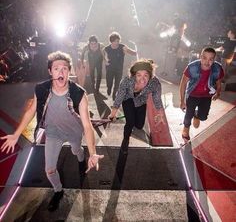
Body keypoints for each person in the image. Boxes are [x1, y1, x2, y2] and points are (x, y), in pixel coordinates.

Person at [0, 51, 104, 211]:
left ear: (69, 72)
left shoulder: (79, 93)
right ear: (50, 71)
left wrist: (93, 152)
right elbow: (31, 111)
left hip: (73, 131)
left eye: (64, 69)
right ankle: (58, 190)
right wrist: (16, 134)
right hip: (53, 133)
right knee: (49, 170)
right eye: (56, 68)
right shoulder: (41, 89)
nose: (61, 72)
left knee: (77, 151)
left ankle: (81, 157)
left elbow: (87, 126)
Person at [108, 59, 165, 153]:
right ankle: (125, 140)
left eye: (145, 75)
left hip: (141, 101)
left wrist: (160, 115)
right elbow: (119, 98)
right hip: (128, 99)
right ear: (134, 75)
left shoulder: (155, 83)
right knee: (130, 122)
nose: (142, 79)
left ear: (150, 75)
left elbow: (157, 100)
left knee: (139, 125)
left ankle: (132, 118)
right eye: (139, 75)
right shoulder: (126, 81)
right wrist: (112, 114)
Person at [179, 47, 224, 142]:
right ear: (200, 57)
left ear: (214, 59)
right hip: (193, 94)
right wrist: (182, 101)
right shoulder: (192, 67)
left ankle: (197, 115)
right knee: (188, 114)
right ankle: (186, 129)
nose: (207, 62)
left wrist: (218, 92)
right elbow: (183, 84)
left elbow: (219, 82)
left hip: (206, 96)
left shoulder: (217, 68)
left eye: (210, 59)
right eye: (204, 58)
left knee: (203, 117)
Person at [103, 32, 137, 100]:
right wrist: (105, 61)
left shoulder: (122, 47)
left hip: (119, 69)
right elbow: (103, 55)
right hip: (110, 68)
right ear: (111, 41)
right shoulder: (106, 49)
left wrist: (136, 52)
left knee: (117, 83)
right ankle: (109, 88)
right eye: (115, 41)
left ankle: (114, 94)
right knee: (109, 82)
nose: (117, 42)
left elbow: (132, 52)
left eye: (118, 41)